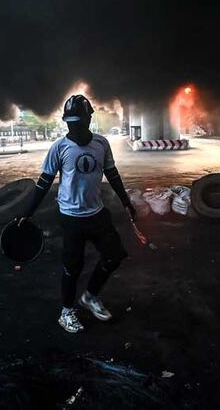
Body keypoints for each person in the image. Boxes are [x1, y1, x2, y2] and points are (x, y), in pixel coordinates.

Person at [19, 94, 137, 333]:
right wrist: (27, 213)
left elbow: (112, 175)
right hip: (71, 217)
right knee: (73, 266)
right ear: (66, 122)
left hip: (97, 213)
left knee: (114, 255)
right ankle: (66, 311)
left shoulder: (102, 144)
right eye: (71, 123)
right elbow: (43, 182)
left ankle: (90, 296)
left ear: (88, 119)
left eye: (79, 122)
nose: (75, 127)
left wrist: (126, 202)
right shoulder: (59, 148)